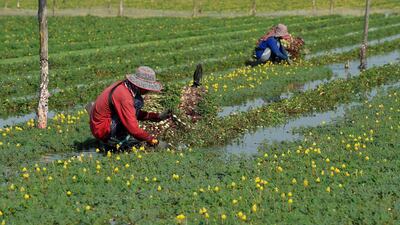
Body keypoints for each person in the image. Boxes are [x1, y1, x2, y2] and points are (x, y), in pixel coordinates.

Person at [89, 66, 172, 150]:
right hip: (102, 130)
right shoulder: (125, 97)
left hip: (99, 124)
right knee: (138, 102)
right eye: (148, 88)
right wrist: (154, 142)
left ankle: (116, 139)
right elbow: (133, 129)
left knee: (137, 102)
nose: (148, 91)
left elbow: (130, 112)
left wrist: (156, 116)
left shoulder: (125, 85)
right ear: (141, 86)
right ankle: (114, 141)